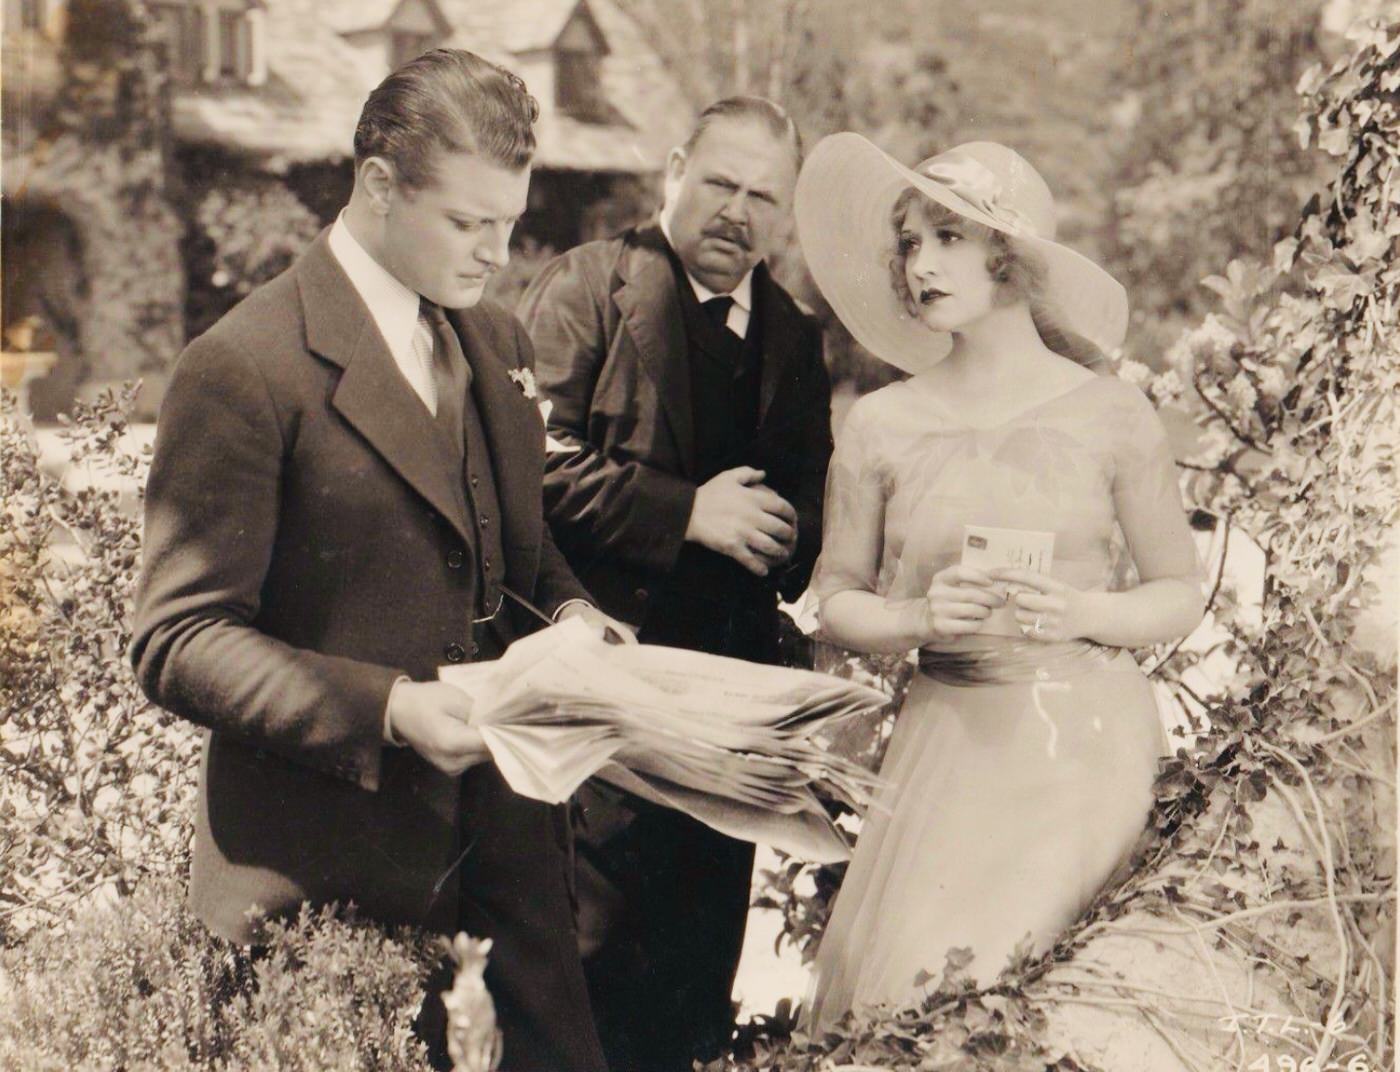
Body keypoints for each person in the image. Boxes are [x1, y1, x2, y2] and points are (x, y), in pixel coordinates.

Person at [129, 49, 631, 1072]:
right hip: (326, 879)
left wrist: (575, 615)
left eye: (508, 220)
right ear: (376, 185)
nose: (498, 251)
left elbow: (514, 552)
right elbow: (174, 639)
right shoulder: (242, 363)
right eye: (466, 222)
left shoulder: (491, 337)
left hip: (510, 855)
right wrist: (391, 709)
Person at [792, 133, 1206, 1031]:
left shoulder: (1110, 414)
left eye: (946, 237)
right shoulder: (880, 423)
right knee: (925, 1001)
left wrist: (1089, 610)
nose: (920, 264)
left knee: (1059, 1007)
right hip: (949, 740)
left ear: (1007, 256)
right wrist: (914, 616)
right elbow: (835, 599)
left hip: (1085, 746)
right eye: (908, 241)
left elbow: (1180, 586)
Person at [516, 96, 834, 1069]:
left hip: (728, 713)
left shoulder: (791, 334)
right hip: (605, 685)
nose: (737, 212)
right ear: (672, 172)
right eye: (720, 183)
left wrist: (785, 538)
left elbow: (805, 516)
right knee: (588, 963)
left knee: (698, 974)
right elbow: (527, 464)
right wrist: (687, 513)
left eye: (762, 197)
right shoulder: (583, 289)